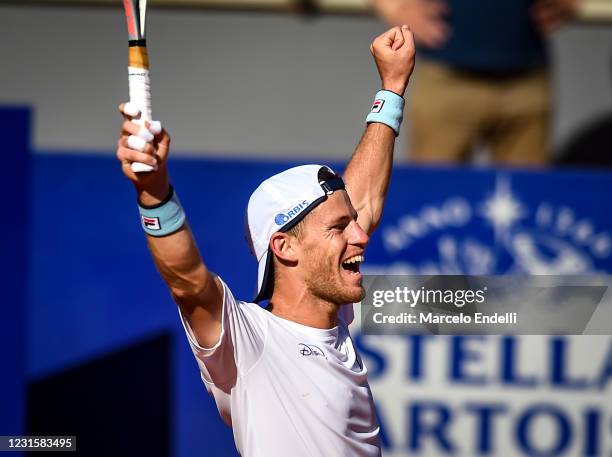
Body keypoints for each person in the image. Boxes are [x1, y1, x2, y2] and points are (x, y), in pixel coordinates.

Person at [115, 26, 415, 456]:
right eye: (338, 228)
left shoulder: (334, 312)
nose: (361, 235)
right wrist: (154, 191)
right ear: (284, 247)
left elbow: (363, 198)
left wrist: (392, 88)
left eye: (352, 224)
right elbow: (187, 281)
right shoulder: (249, 341)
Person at [370, 0, 582, 165]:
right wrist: (394, 6)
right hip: (448, 76)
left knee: (527, 201)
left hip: (526, 76)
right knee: (434, 197)